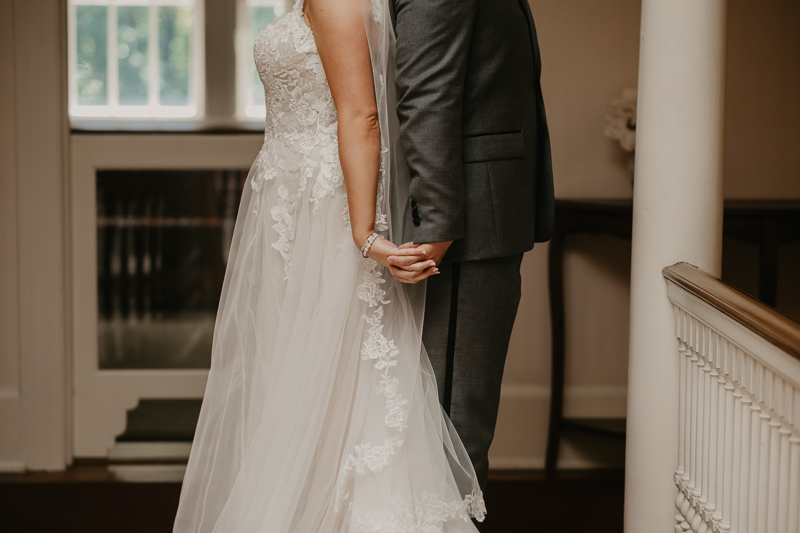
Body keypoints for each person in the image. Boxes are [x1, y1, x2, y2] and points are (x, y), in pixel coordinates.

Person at [172, 0, 501, 530]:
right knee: (296, 375)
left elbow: (361, 115)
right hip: (291, 210)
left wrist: (362, 232)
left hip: (324, 205)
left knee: (339, 374)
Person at [386, 0, 554, 491]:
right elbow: (426, 94)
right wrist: (437, 229)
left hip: (486, 214)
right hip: (463, 228)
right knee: (453, 427)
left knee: (459, 419)